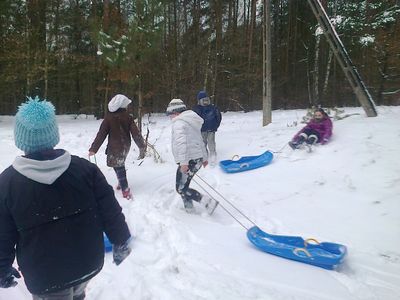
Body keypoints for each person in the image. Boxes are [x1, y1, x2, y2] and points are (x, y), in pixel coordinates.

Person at [0, 97, 132, 300]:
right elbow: (110, 210)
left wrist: (2, 267)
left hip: (46, 276)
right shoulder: (85, 170)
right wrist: (121, 239)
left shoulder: (7, 184)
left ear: (21, 138)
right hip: (87, 263)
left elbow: (3, 233)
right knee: (78, 291)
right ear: (53, 134)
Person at [89, 94, 146, 200]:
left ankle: (125, 189)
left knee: (119, 166)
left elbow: (101, 134)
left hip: (115, 147)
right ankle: (121, 182)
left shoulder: (109, 118)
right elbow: (136, 133)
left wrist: (94, 148)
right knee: (118, 164)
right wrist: (141, 145)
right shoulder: (127, 117)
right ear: (123, 106)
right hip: (125, 146)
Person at [166, 98, 218, 214]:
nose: (170, 117)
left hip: (189, 160)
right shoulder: (190, 122)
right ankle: (189, 209)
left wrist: (184, 163)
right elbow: (199, 141)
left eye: (170, 114)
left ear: (176, 112)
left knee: (181, 188)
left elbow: (181, 144)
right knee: (184, 187)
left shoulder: (179, 123)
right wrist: (204, 158)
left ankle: (208, 202)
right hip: (197, 159)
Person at [192, 90, 222, 165]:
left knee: (211, 141)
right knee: (203, 142)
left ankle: (213, 154)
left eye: (206, 100)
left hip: (211, 128)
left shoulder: (213, 108)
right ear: (199, 101)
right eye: (203, 100)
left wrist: (216, 125)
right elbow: (194, 119)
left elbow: (218, 117)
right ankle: (204, 154)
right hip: (202, 129)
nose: (205, 102)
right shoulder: (196, 109)